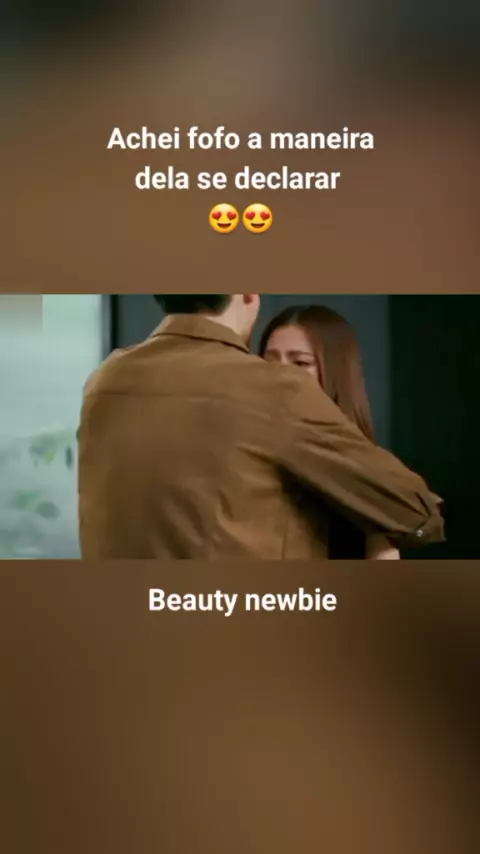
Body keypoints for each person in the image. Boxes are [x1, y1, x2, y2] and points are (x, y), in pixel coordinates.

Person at [77, 294, 444, 559]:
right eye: (273, 358)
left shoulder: (104, 380)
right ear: (248, 295)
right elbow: (416, 511)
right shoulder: (272, 392)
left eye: (301, 362)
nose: (285, 369)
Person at [259, 304, 400, 559]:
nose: (281, 373)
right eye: (270, 360)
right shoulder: (249, 442)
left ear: (334, 372)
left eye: (300, 363)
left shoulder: (360, 461)